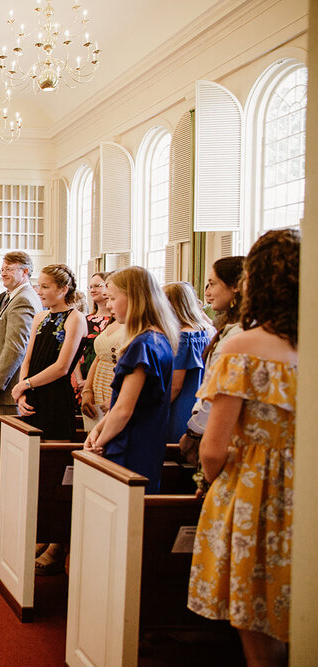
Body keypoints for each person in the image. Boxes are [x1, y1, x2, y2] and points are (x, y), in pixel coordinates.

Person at [187, 229, 298, 665]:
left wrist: (212, 482)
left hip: (255, 489)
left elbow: (213, 448)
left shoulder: (245, 346)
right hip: (301, 485)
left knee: (255, 619)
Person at [83, 266, 179, 493]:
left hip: (131, 443)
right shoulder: (158, 338)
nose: (109, 305)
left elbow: (124, 409)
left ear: (134, 298)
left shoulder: (143, 345)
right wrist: (98, 430)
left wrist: (98, 442)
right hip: (145, 440)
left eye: (114, 298)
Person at [178, 256, 245, 463]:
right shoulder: (227, 328)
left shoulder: (238, 336)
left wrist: (194, 432)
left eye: (213, 283)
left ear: (235, 286)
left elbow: (218, 392)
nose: (207, 291)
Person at [11, 264, 87, 440]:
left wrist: (24, 385)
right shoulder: (40, 317)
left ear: (63, 289)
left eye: (45, 287)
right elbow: (27, 360)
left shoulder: (75, 318)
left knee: (49, 460)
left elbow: (62, 367)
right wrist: (22, 394)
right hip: (32, 396)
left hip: (56, 398)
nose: (39, 292)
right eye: (39, 286)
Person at [0, 252, 41, 415]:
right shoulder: (14, 297)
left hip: (9, 389)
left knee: (8, 438)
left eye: (9, 269)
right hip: (6, 388)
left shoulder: (23, 299)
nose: (3, 273)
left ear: (25, 272)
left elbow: (15, 348)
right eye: (2, 269)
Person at [164, 282, 214, 443]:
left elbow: (175, 386)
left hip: (180, 404)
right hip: (197, 401)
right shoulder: (203, 330)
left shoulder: (184, 337)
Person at [74, 272, 113, 392]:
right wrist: (80, 380)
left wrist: (91, 382)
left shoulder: (117, 321)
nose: (92, 290)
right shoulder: (85, 320)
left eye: (97, 286)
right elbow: (76, 352)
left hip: (105, 380)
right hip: (81, 379)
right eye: (90, 287)